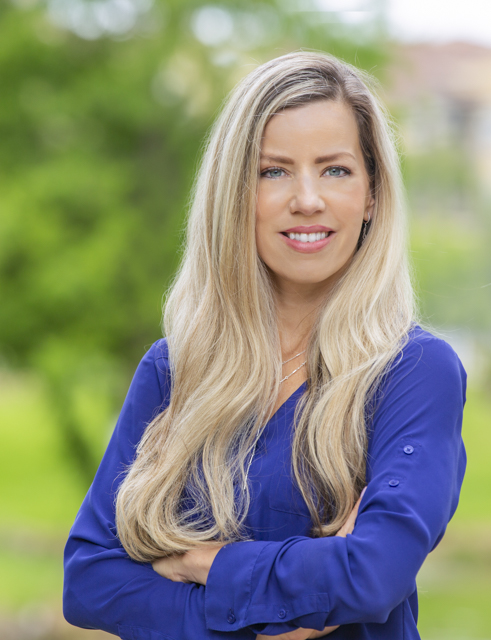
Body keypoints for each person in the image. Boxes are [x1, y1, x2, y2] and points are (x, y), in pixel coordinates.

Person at [62, 51, 467, 640]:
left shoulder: (414, 372)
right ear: (235, 196)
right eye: (273, 171)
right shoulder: (174, 368)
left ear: (372, 195)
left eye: (335, 170)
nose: (307, 198)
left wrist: (211, 565)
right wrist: (289, 608)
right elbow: (90, 581)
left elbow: (372, 576)